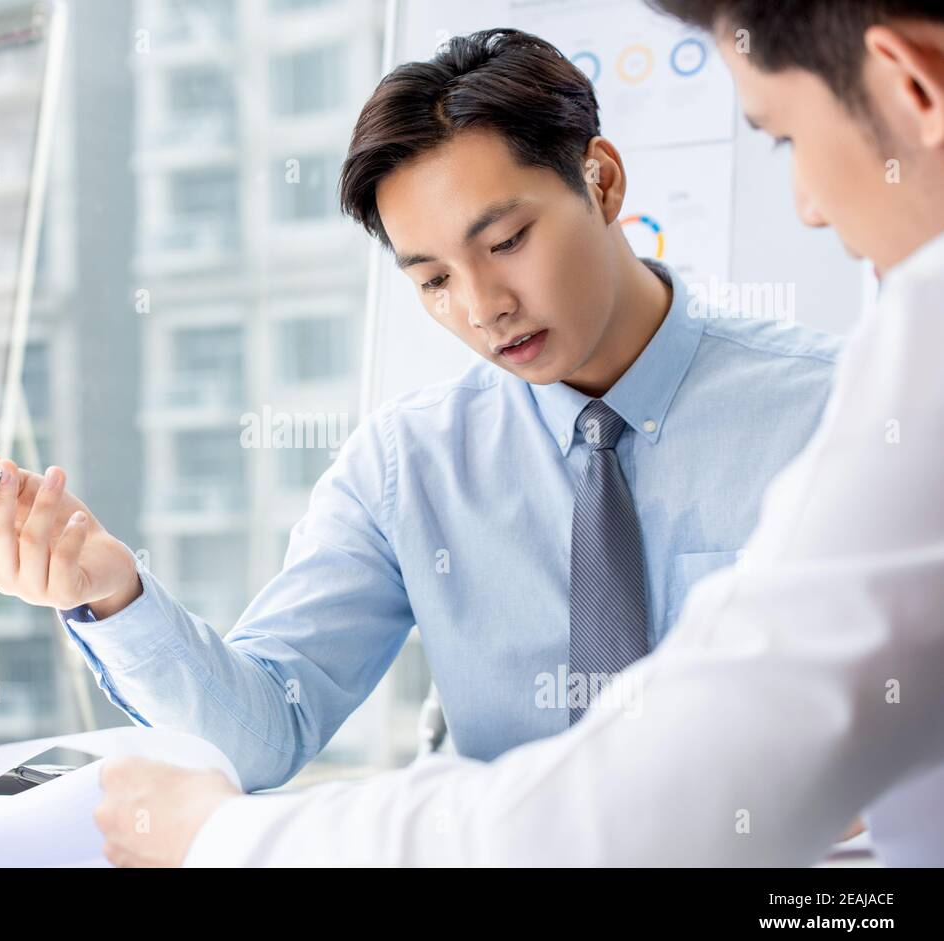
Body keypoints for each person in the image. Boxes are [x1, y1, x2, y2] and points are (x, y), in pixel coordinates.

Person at [89, 2, 944, 867]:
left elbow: (678, 792)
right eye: (431, 281)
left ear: (601, 181)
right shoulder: (406, 466)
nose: (482, 306)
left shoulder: (850, 405)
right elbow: (271, 720)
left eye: (507, 240)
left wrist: (231, 842)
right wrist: (113, 594)